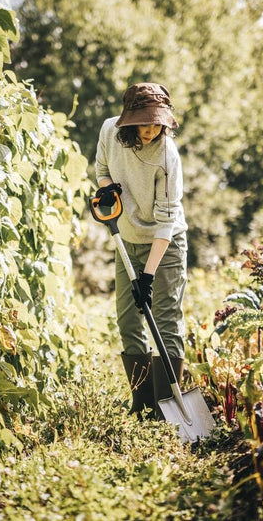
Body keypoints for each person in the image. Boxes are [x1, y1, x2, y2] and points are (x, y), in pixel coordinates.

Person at [94, 82, 188, 419]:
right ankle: (143, 404)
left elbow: (167, 220)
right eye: (144, 124)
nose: (151, 131)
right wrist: (109, 192)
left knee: (164, 319)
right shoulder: (109, 131)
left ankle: (169, 410)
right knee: (128, 320)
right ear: (129, 121)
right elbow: (102, 171)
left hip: (166, 244)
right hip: (127, 238)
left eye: (157, 123)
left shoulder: (167, 155)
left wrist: (147, 275)